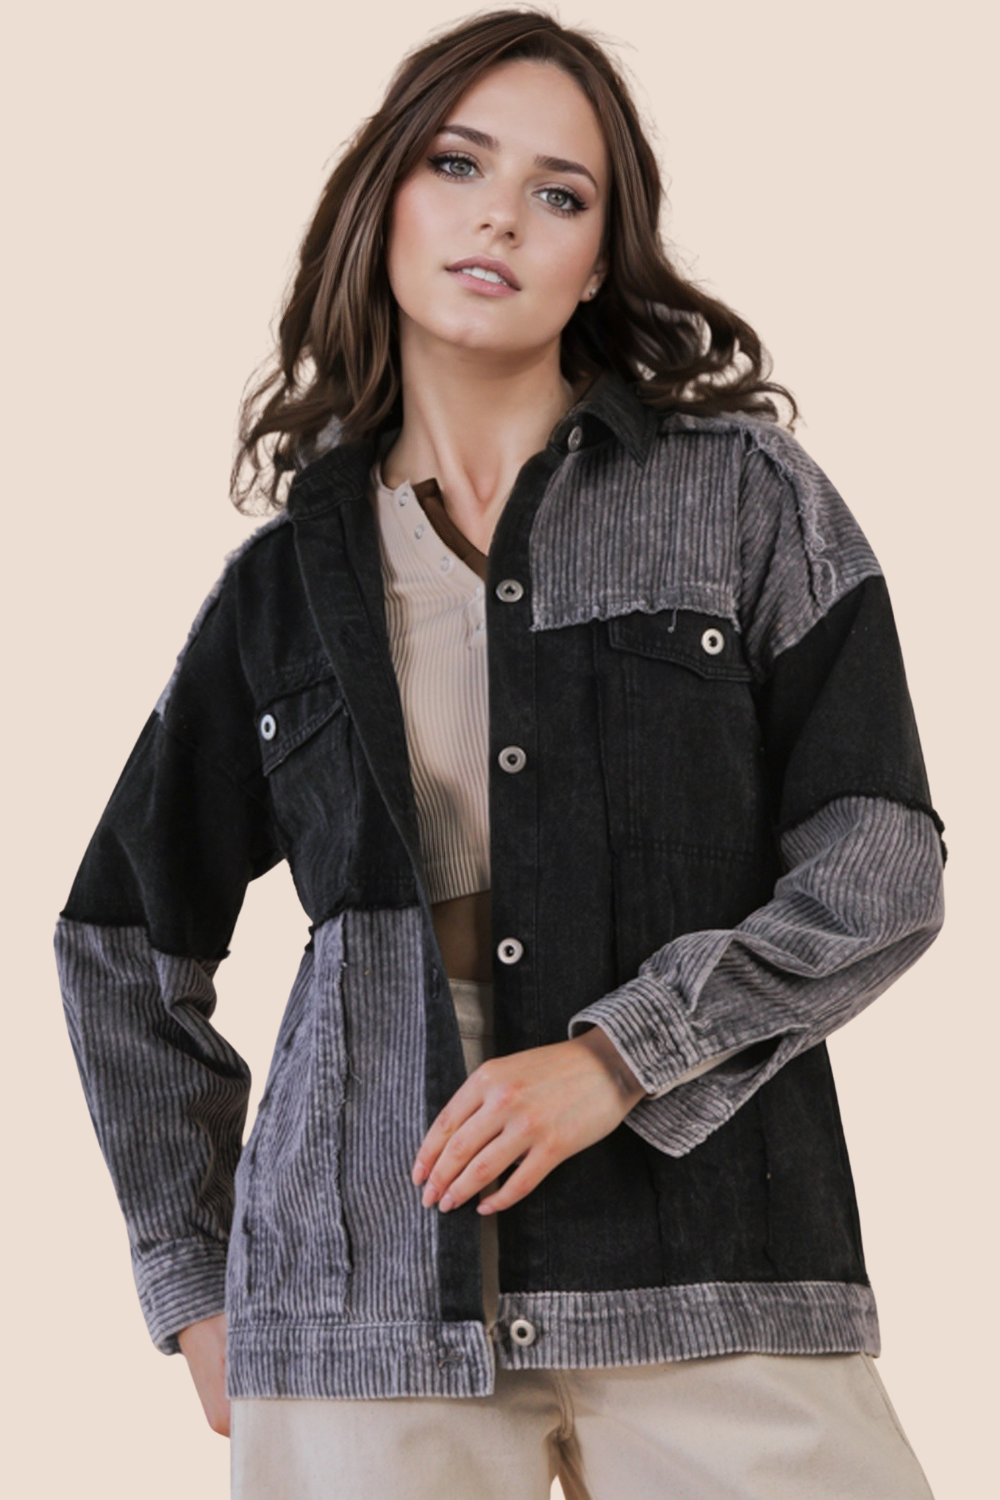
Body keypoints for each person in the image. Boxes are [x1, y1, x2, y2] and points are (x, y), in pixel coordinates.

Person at [54, 8, 946, 1497]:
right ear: (385, 199)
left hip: (712, 1253)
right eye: (458, 164)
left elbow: (883, 861)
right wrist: (192, 1277)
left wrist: (620, 1059)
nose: (500, 217)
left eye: (559, 192)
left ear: (599, 260)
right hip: (360, 1297)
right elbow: (119, 938)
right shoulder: (282, 589)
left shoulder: (744, 500)